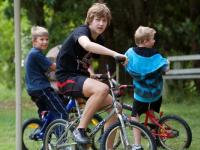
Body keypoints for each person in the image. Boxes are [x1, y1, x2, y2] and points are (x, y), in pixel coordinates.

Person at [55, 3, 127, 144]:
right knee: (103, 88)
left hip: (80, 78)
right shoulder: (81, 31)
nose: (101, 23)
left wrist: (91, 74)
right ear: (90, 20)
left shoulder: (99, 39)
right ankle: (80, 129)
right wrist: (114, 54)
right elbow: (87, 45)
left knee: (116, 107)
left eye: (104, 20)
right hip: (66, 78)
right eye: (97, 19)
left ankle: (106, 146)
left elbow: (87, 61)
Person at [124, 26, 169, 150]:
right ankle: (156, 138)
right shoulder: (156, 55)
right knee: (152, 113)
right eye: (152, 39)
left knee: (135, 116)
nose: (154, 41)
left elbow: (125, 63)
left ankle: (137, 144)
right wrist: (165, 67)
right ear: (145, 41)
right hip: (155, 93)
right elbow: (165, 68)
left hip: (141, 95)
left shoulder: (130, 53)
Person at [24, 26, 68, 139]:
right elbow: (54, 67)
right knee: (62, 112)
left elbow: (48, 71)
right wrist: (69, 70)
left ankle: (45, 135)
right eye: (41, 39)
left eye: (47, 39)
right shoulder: (36, 54)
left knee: (47, 112)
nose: (45, 42)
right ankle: (61, 142)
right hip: (41, 89)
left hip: (33, 89)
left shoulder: (33, 53)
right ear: (34, 41)